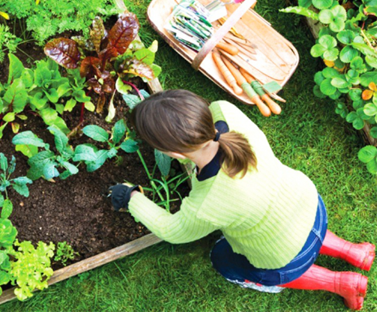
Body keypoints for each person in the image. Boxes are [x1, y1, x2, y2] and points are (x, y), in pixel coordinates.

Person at [109, 89, 374, 310]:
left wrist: (131, 197)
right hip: (309, 205)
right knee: (297, 229)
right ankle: (354, 252)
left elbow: (172, 230)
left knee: (222, 259)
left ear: (174, 153)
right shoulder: (225, 112)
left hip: (284, 254)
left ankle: (341, 283)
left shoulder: (207, 204)